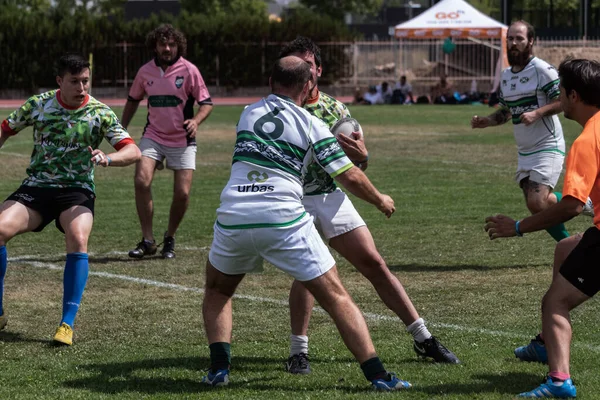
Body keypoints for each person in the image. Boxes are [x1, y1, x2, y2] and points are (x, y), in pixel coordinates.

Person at [202, 56, 411, 391]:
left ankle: (218, 370)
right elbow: (349, 175)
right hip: (282, 216)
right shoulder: (312, 125)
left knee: (218, 290)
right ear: (307, 86)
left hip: (234, 214)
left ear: (271, 82)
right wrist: (380, 199)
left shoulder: (247, 113)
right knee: (337, 296)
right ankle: (378, 376)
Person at [278, 36, 459, 375]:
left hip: (331, 196)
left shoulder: (335, 110)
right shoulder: (279, 109)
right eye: (295, 65)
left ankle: (423, 337)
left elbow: (356, 165)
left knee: (374, 263)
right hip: (294, 199)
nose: (304, 71)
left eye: (308, 64)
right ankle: (298, 351)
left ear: (318, 69)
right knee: (308, 273)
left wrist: (363, 157)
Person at [0, 54, 140, 345]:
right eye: (74, 81)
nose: (82, 87)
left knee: (78, 237)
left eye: (85, 81)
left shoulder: (100, 113)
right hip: (37, 188)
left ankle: (67, 324)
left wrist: (109, 157)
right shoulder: (38, 105)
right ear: (59, 81)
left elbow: (133, 151)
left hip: (76, 190)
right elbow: (5, 130)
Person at [484, 58, 600, 399]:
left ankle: (560, 381)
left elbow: (570, 206)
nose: (558, 99)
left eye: (561, 92)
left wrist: (518, 226)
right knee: (565, 249)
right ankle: (544, 340)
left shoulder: (585, 142)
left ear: (574, 96)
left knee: (554, 302)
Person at [472, 20, 593, 244]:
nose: (514, 43)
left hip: (547, 144)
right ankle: (574, 234)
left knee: (537, 202)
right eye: (510, 38)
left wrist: (538, 113)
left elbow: (564, 101)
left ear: (531, 42)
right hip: (525, 150)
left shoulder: (542, 70)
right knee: (536, 204)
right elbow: (508, 111)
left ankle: (576, 224)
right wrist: (487, 121)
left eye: (519, 38)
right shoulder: (507, 76)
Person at [121, 24, 213, 260]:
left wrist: (196, 121)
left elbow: (207, 103)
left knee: (182, 194)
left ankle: (169, 237)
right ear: (155, 45)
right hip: (153, 135)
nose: (167, 48)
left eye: (171, 44)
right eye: (163, 44)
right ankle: (148, 240)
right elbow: (133, 100)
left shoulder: (190, 70)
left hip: (182, 139)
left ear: (178, 46)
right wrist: (121, 128)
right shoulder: (145, 72)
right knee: (141, 181)